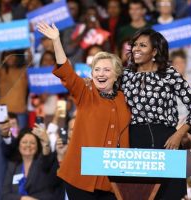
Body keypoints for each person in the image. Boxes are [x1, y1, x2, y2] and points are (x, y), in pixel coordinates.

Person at [37, 22, 130, 200]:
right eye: (97, 69)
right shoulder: (85, 92)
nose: (100, 74)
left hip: (114, 180)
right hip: (80, 178)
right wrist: (56, 40)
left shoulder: (126, 100)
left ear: (117, 74)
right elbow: (67, 72)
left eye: (106, 69)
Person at [121, 28, 191, 199]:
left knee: (170, 195)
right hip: (134, 142)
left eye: (142, 45)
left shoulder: (169, 74)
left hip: (167, 142)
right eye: (134, 44)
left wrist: (179, 134)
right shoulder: (125, 75)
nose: (136, 48)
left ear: (154, 51)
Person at [1, 129, 59, 200]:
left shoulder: (44, 163)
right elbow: (5, 195)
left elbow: (46, 156)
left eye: (32, 143)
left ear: (38, 146)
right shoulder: (13, 165)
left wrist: (46, 144)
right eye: (24, 142)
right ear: (18, 145)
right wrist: (23, 198)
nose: (28, 145)